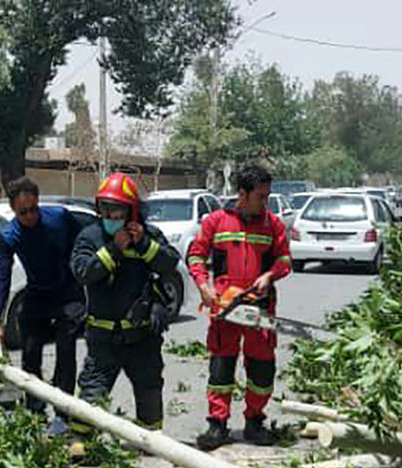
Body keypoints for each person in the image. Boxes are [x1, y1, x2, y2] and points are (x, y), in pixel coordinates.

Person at [187, 164, 293, 449]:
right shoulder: (215, 222)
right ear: (242, 194)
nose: (265, 202)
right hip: (225, 308)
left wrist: (270, 275)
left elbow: (285, 260)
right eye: (261, 196)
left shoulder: (273, 224)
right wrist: (203, 286)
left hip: (260, 309)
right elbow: (196, 256)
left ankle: (254, 422)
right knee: (221, 367)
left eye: (267, 196)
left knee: (261, 369)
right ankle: (217, 425)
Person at [70, 172, 179, 430]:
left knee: (150, 391)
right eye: (105, 209)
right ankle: (82, 444)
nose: (109, 217)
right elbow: (83, 272)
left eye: (116, 211)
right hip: (103, 340)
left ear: (130, 211)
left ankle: (150, 441)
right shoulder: (90, 237)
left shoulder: (149, 235)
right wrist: (114, 249)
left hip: (142, 337)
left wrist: (142, 244)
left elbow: (169, 263)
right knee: (92, 395)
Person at [0, 177, 85, 436]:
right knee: (30, 353)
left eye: (33, 209)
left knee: (66, 352)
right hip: (37, 295)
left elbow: (83, 242)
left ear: (38, 203)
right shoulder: (9, 235)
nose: (29, 216)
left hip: (67, 293)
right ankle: (34, 410)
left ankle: (63, 413)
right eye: (23, 212)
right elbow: (2, 278)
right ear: (13, 210)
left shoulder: (60, 218)